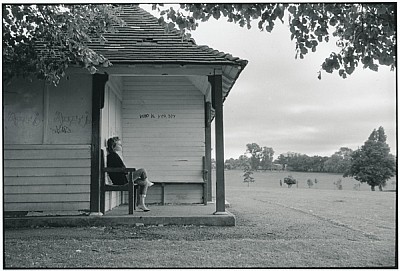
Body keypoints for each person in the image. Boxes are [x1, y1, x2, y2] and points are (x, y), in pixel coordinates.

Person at [106, 136, 153, 212]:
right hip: (121, 179)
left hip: (122, 178)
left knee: (144, 183)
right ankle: (147, 180)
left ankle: (141, 204)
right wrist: (128, 172)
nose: (121, 146)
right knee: (142, 170)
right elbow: (123, 169)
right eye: (119, 144)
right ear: (113, 146)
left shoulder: (114, 155)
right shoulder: (113, 156)